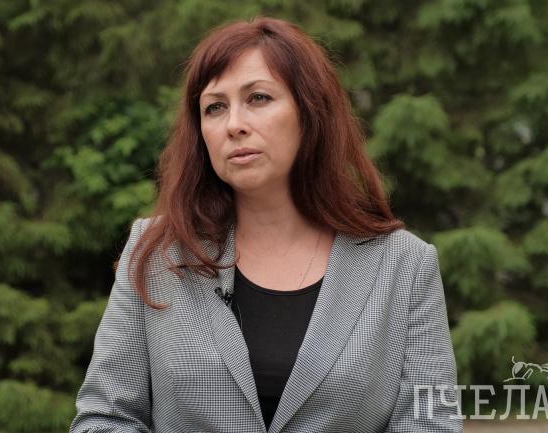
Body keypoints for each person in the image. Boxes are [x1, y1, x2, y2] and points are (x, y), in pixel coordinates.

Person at [70, 16, 462, 433]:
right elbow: (103, 419)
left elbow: (431, 423)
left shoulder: (405, 265)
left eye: (258, 98)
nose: (234, 124)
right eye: (215, 107)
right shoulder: (155, 251)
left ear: (310, 112)